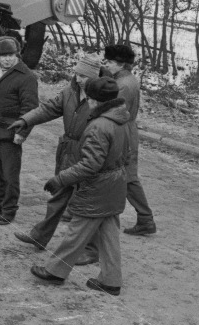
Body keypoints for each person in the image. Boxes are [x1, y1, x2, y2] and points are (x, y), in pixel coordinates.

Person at [30, 77, 132, 296]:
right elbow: (128, 155)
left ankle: (55, 271)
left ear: (95, 100)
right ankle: (111, 281)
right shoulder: (122, 119)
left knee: (77, 231)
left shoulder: (98, 126)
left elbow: (89, 165)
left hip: (97, 188)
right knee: (109, 233)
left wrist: (60, 179)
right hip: (115, 184)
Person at [11, 55, 102, 250]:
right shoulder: (69, 92)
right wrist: (26, 120)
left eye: (84, 76)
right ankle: (40, 236)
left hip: (89, 153)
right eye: (77, 74)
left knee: (88, 202)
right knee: (59, 196)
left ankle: (91, 249)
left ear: (94, 77)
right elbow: (48, 108)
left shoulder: (101, 98)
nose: (78, 79)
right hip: (68, 151)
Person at [0, 36, 39, 224]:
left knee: (10, 174)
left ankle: (9, 210)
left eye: (11, 55)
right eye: (3, 55)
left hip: (10, 133)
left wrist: (22, 133)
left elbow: (31, 109)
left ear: (17, 54)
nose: (7, 59)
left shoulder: (26, 77)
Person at [102, 44, 156, 236]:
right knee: (124, 175)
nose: (105, 64)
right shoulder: (126, 79)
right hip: (126, 129)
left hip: (123, 131)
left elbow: (115, 111)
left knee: (128, 178)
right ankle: (144, 218)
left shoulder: (123, 84)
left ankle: (145, 218)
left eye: (108, 62)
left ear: (120, 64)